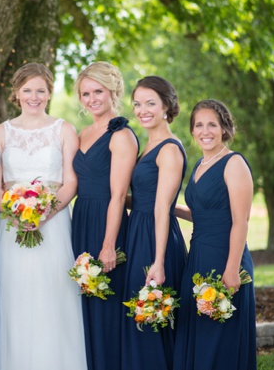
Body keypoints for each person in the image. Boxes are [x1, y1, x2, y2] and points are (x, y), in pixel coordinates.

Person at [0, 63, 87, 370]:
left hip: (54, 225)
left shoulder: (64, 129)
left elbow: (71, 181)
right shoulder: (0, 132)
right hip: (10, 225)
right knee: (15, 297)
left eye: (40, 90)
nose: (34, 96)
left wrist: (45, 214)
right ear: (16, 93)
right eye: (27, 90)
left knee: (54, 295)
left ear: (49, 93)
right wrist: (13, 213)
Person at [173, 99, 256, 370]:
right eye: (199, 125)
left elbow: (240, 221)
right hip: (197, 258)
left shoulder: (233, 163)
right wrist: (167, 207)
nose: (204, 131)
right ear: (192, 130)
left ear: (224, 128)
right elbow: (203, 214)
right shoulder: (199, 164)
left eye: (212, 124)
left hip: (225, 257)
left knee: (220, 339)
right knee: (199, 334)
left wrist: (231, 270)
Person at [70, 62, 138, 370]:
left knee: (106, 304)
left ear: (113, 92)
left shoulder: (121, 136)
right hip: (80, 219)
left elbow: (118, 196)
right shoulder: (82, 132)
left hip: (105, 223)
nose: (92, 98)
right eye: (86, 93)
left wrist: (109, 243)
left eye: (98, 91)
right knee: (84, 302)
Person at [120, 76, 188, 370]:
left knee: (150, 314)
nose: (142, 109)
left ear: (166, 107)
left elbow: (163, 208)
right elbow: (145, 198)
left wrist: (158, 261)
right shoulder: (147, 146)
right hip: (138, 232)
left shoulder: (169, 149)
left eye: (150, 103)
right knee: (140, 314)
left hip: (155, 239)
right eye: (137, 103)